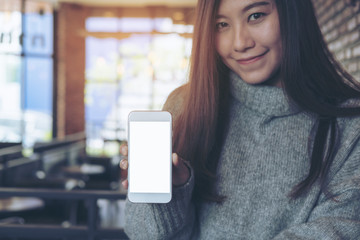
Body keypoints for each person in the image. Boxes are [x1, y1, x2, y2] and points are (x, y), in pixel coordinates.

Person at [120, 0, 360, 239]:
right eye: (221, 24)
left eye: (256, 16)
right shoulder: (185, 105)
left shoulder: (350, 125)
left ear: (293, 12)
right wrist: (173, 192)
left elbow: (341, 229)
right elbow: (143, 234)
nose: (240, 43)